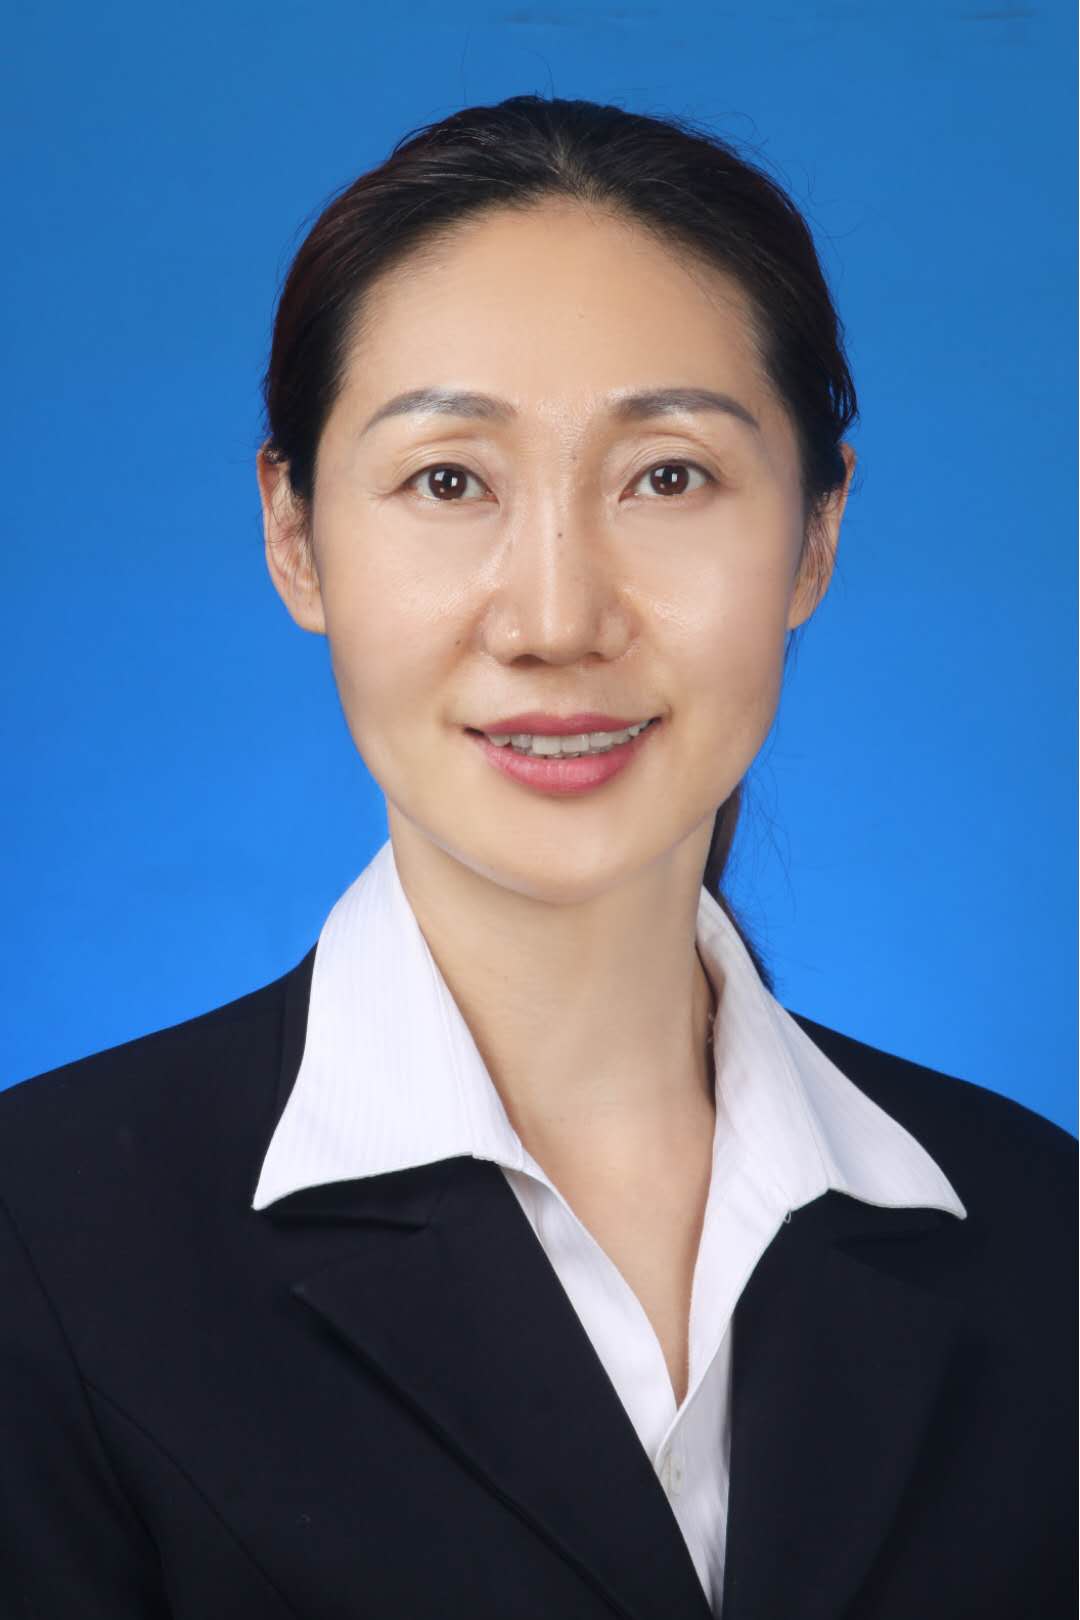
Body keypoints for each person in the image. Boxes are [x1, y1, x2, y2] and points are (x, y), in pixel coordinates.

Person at [0, 94, 1074, 1620]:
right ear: (295, 535)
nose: (558, 619)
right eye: (450, 480)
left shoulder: (1046, 1238)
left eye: (669, 476)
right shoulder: (40, 1244)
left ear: (817, 534)